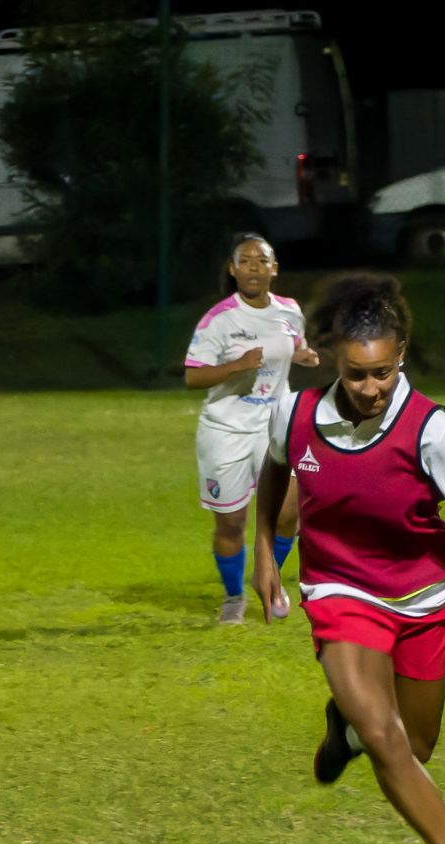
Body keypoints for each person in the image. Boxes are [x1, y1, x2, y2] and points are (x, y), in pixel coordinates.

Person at [251, 273, 445, 844]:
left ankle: (343, 724)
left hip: (425, 597)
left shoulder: (432, 432)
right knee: (384, 733)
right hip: (340, 589)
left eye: (383, 374)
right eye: (356, 373)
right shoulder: (298, 414)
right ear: (336, 360)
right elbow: (275, 470)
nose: (370, 388)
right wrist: (266, 555)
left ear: (400, 360)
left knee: (414, 746)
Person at [184, 232, 319, 624]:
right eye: (245, 261)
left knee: (289, 511)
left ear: (274, 269)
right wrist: (236, 367)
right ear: (233, 270)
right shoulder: (219, 320)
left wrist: (303, 355)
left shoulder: (290, 311)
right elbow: (193, 377)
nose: (254, 267)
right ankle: (232, 597)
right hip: (226, 431)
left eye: (262, 260)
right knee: (231, 523)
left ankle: (271, 582)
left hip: (274, 427)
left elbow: (293, 344)